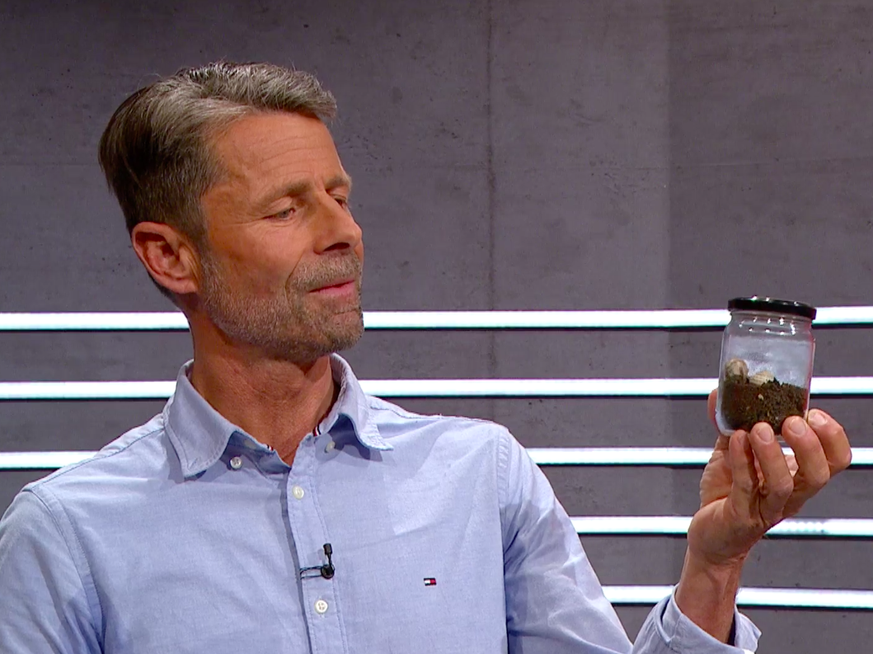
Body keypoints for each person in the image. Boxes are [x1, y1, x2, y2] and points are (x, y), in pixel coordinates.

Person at [0, 61, 852, 653]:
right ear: (170, 256)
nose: (343, 232)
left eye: (338, 196)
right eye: (286, 210)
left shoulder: (480, 475)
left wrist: (715, 564)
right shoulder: (68, 535)